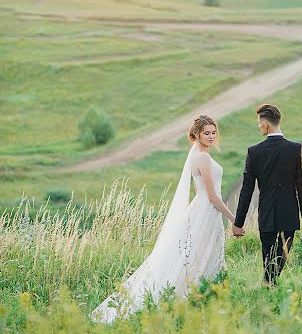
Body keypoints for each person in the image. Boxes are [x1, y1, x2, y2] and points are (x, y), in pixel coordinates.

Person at [91, 115, 236, 324]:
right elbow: (212, 195)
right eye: (207, 133)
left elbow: (200, 192)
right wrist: (233, 218)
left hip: (201, 209)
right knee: (202, 254)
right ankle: (201, 299)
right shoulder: (202, 158)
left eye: (214, 132)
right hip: (206, 209)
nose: (212, 136)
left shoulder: (198, 156)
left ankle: (203, 299)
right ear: (197, 134)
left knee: (198, 254)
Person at [233, 103, 302, 285]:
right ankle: (269, 290)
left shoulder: (254, 152)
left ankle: (268, 289)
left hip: (267, 216)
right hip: (289, 216)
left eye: (259, 122)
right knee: (276, 265)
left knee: (269, 264)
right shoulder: (296, 150)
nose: (258, 125)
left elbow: (247, 190)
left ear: (265, 125)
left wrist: (239, 223)